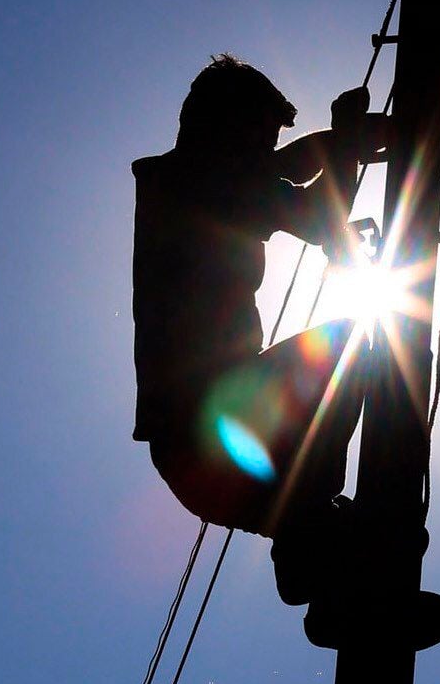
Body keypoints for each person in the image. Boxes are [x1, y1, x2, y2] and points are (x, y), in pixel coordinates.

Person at [131, 55, 380, 541]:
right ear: (232, 126)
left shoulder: (184, 181)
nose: (268, 149)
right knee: (349, 349)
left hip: (200, 455)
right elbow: (314, 214)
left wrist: (349, 141)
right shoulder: (209, 182)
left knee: (330, 541)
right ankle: (310, 520)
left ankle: (308, 538)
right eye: (263, 134)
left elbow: (284, 168)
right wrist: (348, 139)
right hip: (216, 438)